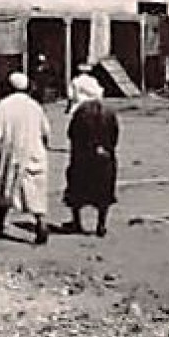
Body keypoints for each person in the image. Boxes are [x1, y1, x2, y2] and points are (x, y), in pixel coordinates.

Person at [0, 71, 51, 245]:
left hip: (11, 154)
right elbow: (45, 131)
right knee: (34, 190)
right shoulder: (35, 106)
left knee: (5, 186)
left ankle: (0, 223)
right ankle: (41, 222)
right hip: (34, 153)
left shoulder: (3, 106)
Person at [66, 95, 121, 237]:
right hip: (104, 157)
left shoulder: (81, 112)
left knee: (76, 190)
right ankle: (101, 224)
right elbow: (115, 135)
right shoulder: (109, 112)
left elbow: (71, 134)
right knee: (104, 192)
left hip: (82, 157)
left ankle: (77, 222)